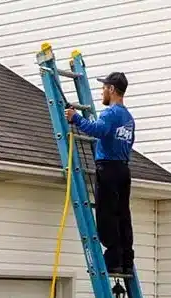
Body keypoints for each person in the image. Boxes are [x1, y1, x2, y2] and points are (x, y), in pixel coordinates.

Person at [65, 71, 136, 276]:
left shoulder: (110, 114)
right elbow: (129, 142)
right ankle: (126, 260)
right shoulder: (128, 118)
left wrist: (75, 118)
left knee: (106, 214)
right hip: (124, 169)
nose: (102, 91)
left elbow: (99, 130)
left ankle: (112, 259)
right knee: (123, 215)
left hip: (109, 168)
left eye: (104, 87)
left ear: (112, 90)